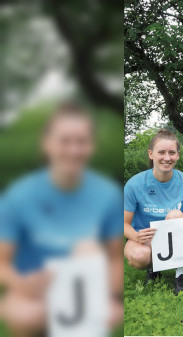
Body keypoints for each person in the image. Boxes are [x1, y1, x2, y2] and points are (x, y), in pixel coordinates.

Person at [0, 103, 123, 336]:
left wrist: (109, 292)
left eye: (81, 141)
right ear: (46, 144)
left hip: (89, 290)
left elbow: (116, 258)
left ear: (92, 146)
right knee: (23, 314)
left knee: (110, 308)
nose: (73, 150)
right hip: (35, 292)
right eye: (64, 141)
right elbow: (1, 263)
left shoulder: (108, 194)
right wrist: (21, 282)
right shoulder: (18, 195)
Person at [124, 129, 183, 295]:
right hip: (146, 238)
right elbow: (123, 224)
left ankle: (181, 276)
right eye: (162, 152)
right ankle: (154, 268)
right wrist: (136, 236)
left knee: (175, 215)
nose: (167, 158)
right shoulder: (134, 184)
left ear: (178, 155)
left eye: (172, 153)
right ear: (151, 154)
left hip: (174, 238)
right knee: (138, 256)